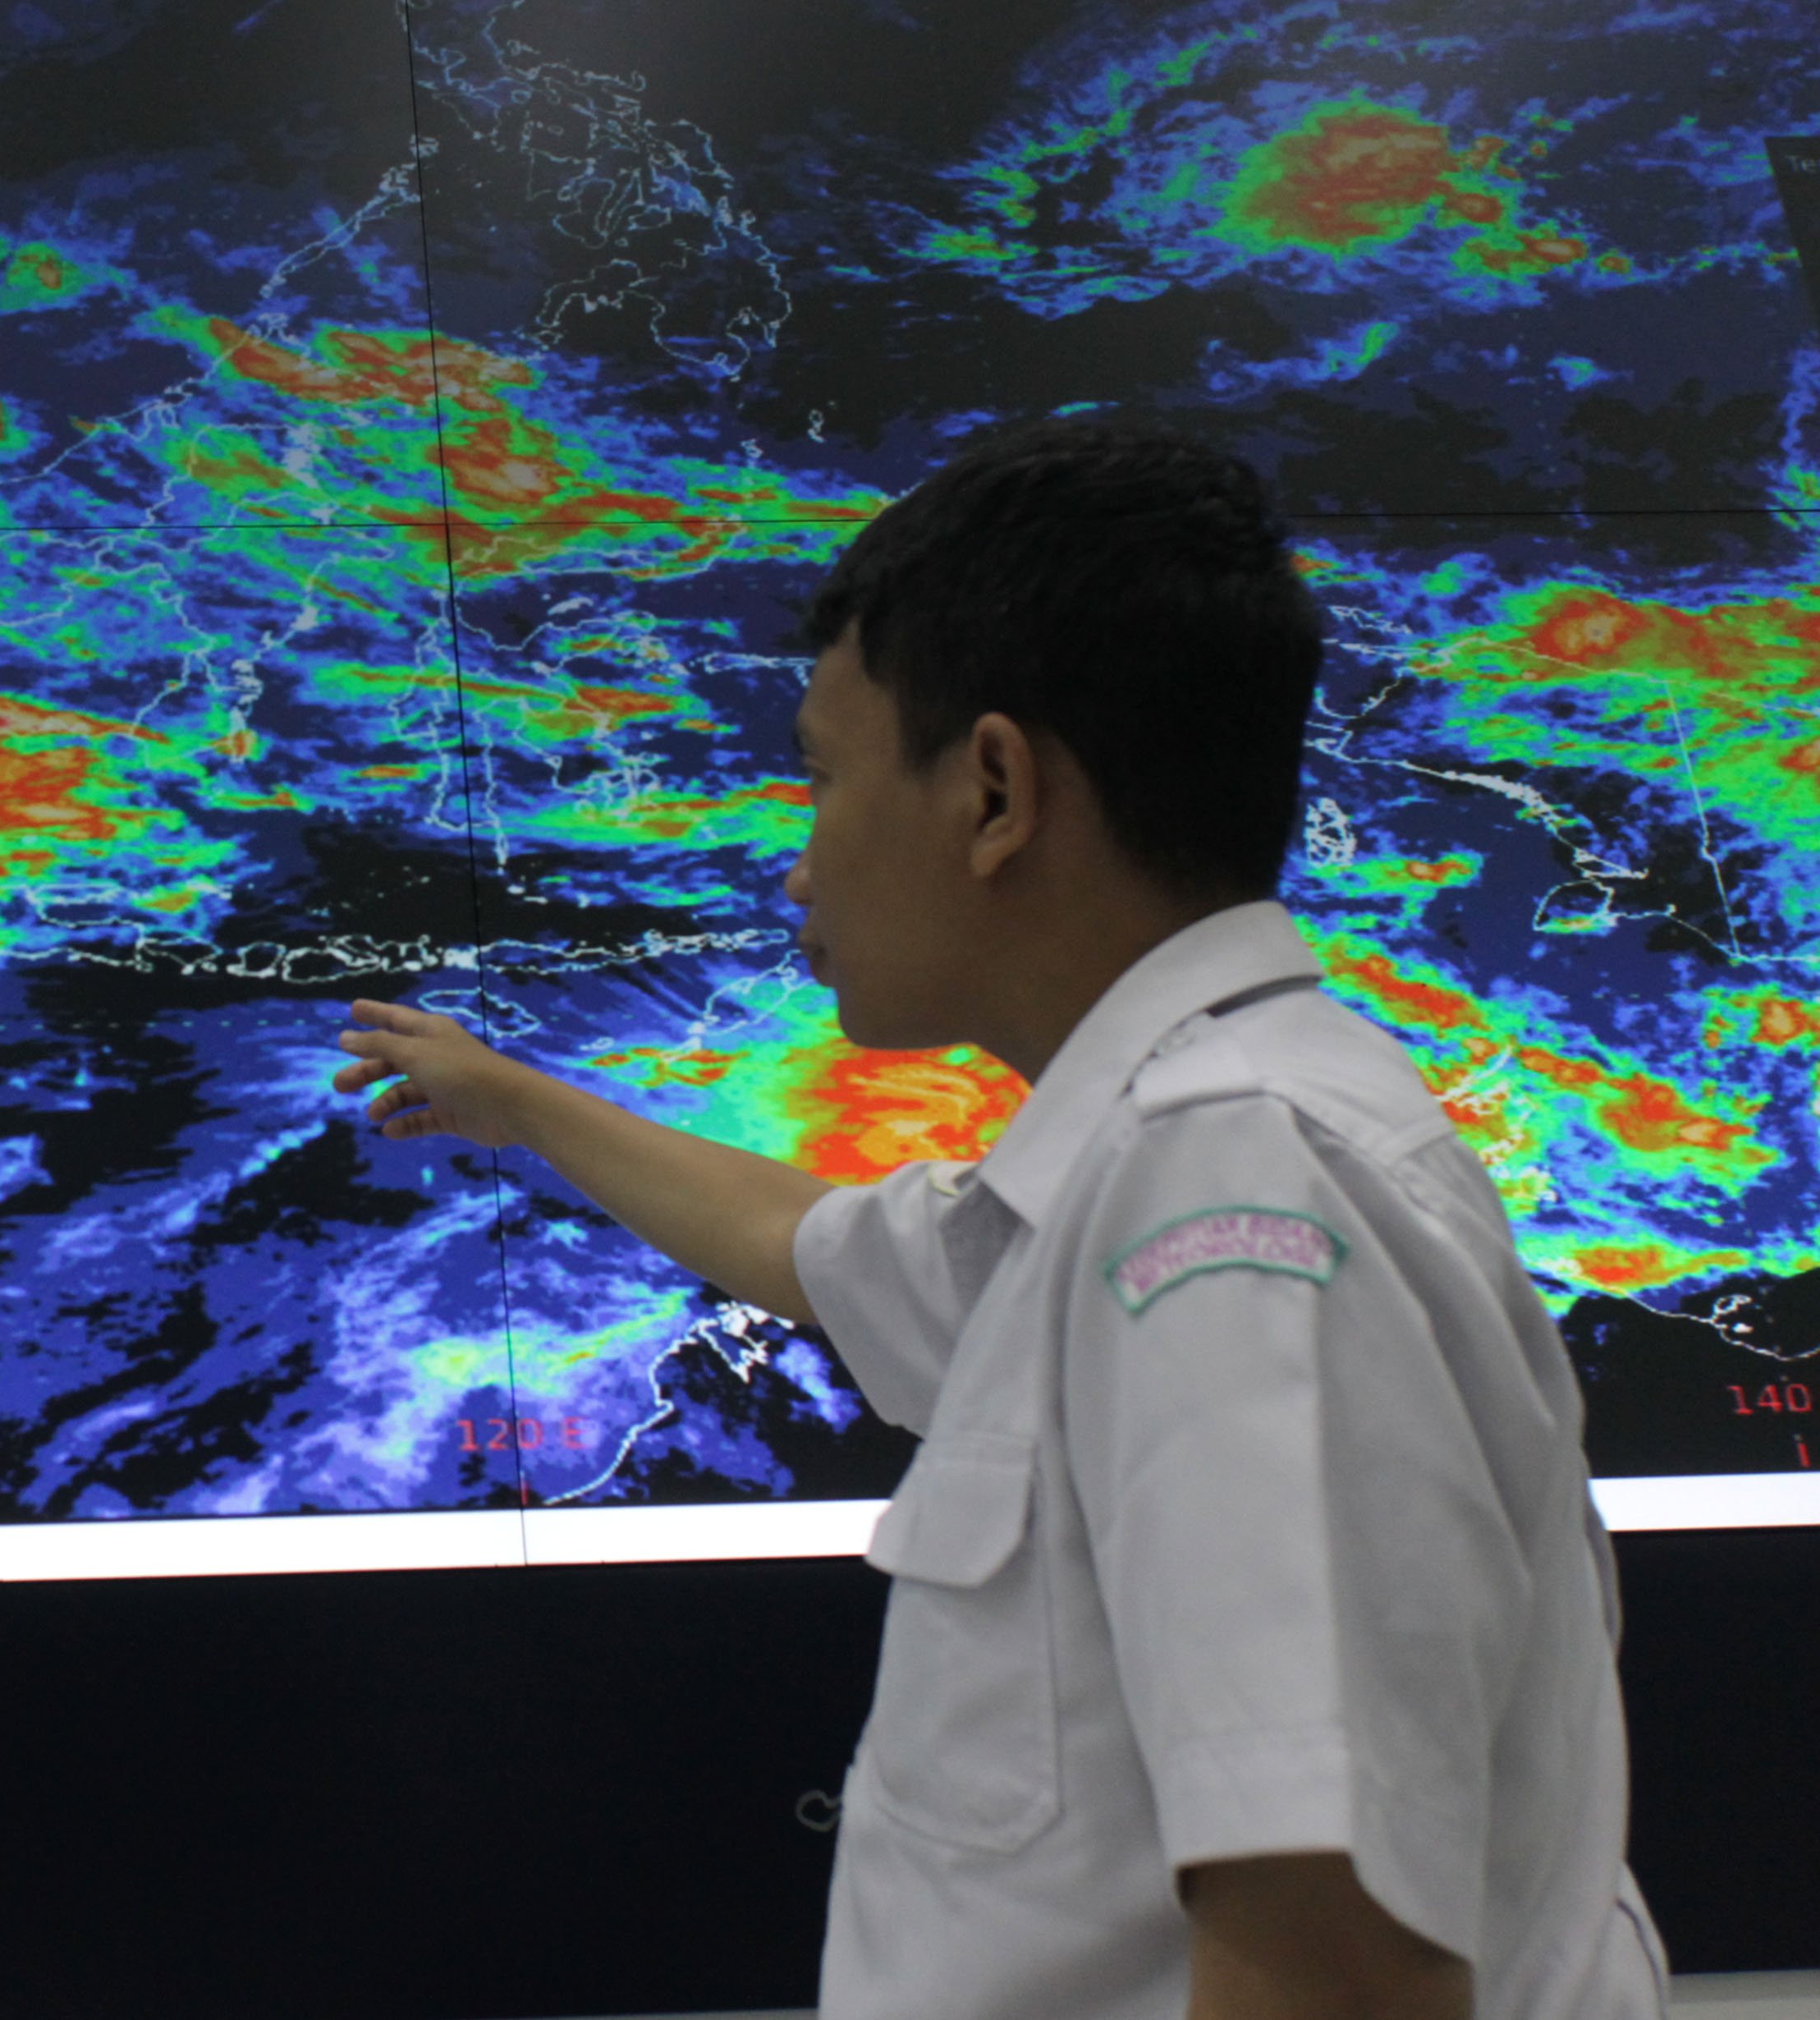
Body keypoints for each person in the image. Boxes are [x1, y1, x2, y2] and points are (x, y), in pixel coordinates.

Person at [332, 422, 1666, 2020]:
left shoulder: (1225, 1196)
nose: (798, 857)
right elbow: (816, 1247)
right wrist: (518, 1101)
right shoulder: (1144, 1161)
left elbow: (1336, 1964)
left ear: (990, 789)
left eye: (820, 776)